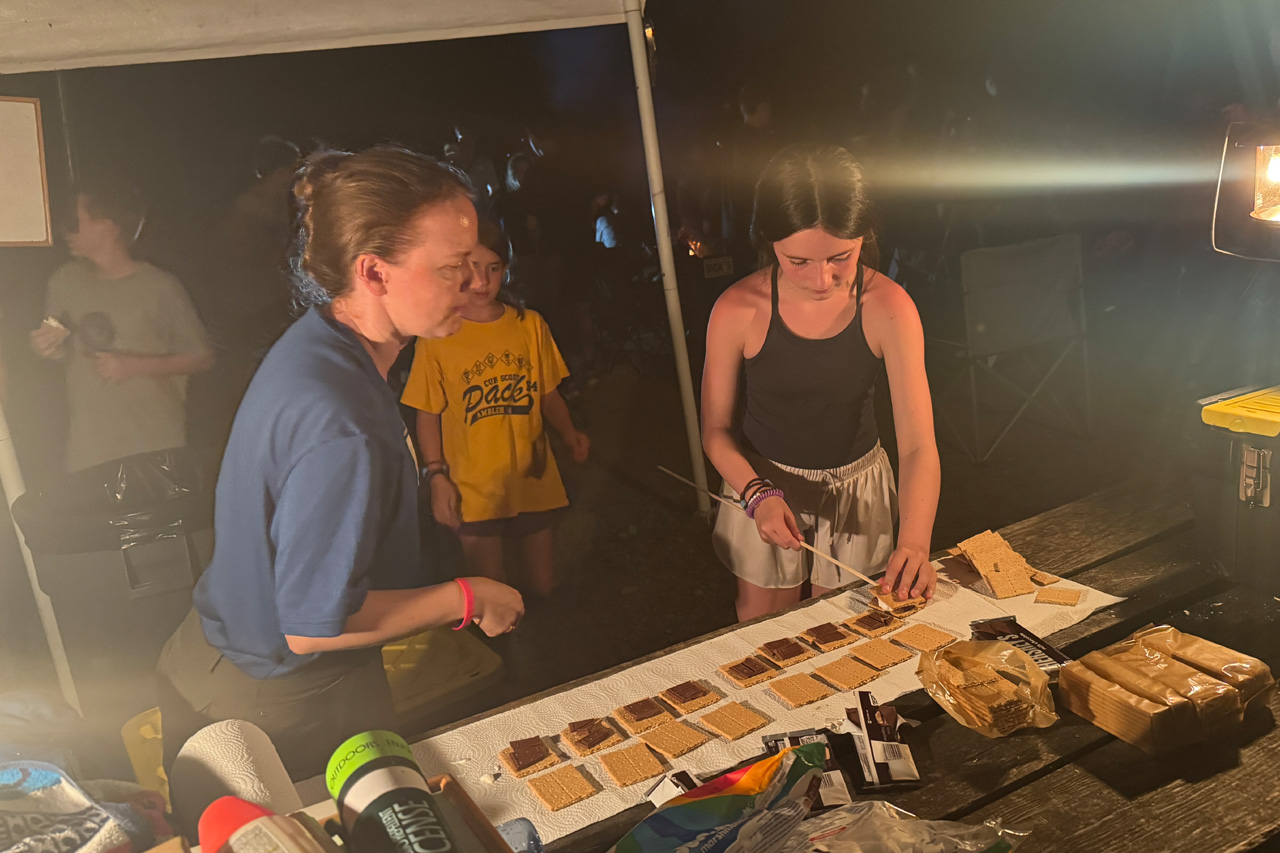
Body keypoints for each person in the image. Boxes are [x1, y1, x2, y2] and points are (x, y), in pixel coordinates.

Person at [156, 147, 525, 780]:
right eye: (451, 267)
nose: (472, 282)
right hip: (276, 700)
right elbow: (312, 625)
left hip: (226, 652)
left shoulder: (323, 341)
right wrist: (466, 596)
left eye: (474, 260)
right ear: (374, 272)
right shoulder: (342, 423)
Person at [701, 144, 941, 621]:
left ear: (864, 237)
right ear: (768, 240)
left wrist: (915, 543)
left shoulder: (889, 307)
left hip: (857, 489)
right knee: (767, 633)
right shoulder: (737, 308)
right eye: (798, 261)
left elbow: (918, 445)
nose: (821, 279)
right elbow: (715, 431)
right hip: (761, 480)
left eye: (840, 257)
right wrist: (756, 492)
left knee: (847, 631)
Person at [403, 219, 588, 599]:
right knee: (493, 591)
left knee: (542, 586)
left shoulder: (529, 325)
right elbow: (427, 413)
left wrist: (570, 434)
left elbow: (548, 394)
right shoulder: (438, 336)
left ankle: (544, 627)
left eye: (493, 268)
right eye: (471, 268)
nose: (482, 281)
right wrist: (436, 475)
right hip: (473, 487)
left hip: (530, 476)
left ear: (506, 269)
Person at [29, 180, 214, 471]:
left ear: (108, 227)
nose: (66, 230)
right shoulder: (66, 282)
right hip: (89, 449)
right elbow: (61, 349)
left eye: (76, 221)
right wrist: (47, 347)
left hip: (153, 446)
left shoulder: (160, 287)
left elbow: (202, 356)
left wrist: (135, 365)